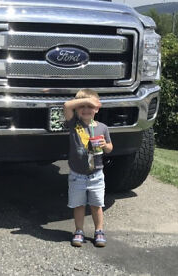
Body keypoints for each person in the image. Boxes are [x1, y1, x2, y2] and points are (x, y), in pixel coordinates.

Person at [63, 88, 113, 248]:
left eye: (90, 106)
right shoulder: (74, 124)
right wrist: (87, 100)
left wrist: (105, 145)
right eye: (82, 106)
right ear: (77, 108)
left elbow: (110, 148)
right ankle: (79, 230)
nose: (86, 109)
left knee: (96, 205)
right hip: (77, 175)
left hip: (96, 174)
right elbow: (66, 105)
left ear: (97, 108)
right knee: (79, 205)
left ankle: (99, 230)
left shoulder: (102, 127)